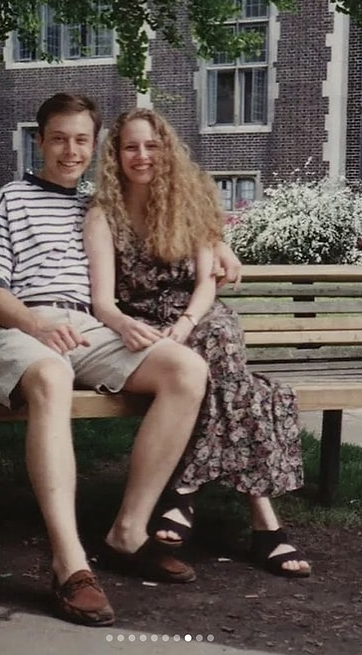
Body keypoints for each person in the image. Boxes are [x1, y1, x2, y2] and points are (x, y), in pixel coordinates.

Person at [0, 93, 241, 628]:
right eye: (60, 138)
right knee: (51, 374)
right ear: (40, 140)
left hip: (86, 328)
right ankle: (70, 564)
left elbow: (176, 217)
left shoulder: (101, 203)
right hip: (18, 327)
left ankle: (128, 531)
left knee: (187, 370)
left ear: (95, 147)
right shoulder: (11, 199)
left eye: (82, 140)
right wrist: (34, 323)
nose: (71, 150)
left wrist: (220, 243)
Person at [84, 108, 311, 579]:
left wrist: (187, 323)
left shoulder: (191, 200)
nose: (142, 155)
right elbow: (103, 302)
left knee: (221, 339)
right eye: (131, 147)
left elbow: (207, 284)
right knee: (241, 389)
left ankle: (183, 493)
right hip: (144, 326)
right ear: (115, 155)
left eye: (151, 145)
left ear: (166, 149)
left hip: (194, 318)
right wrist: (125, 325)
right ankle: (264, 524)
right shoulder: (104, 215)